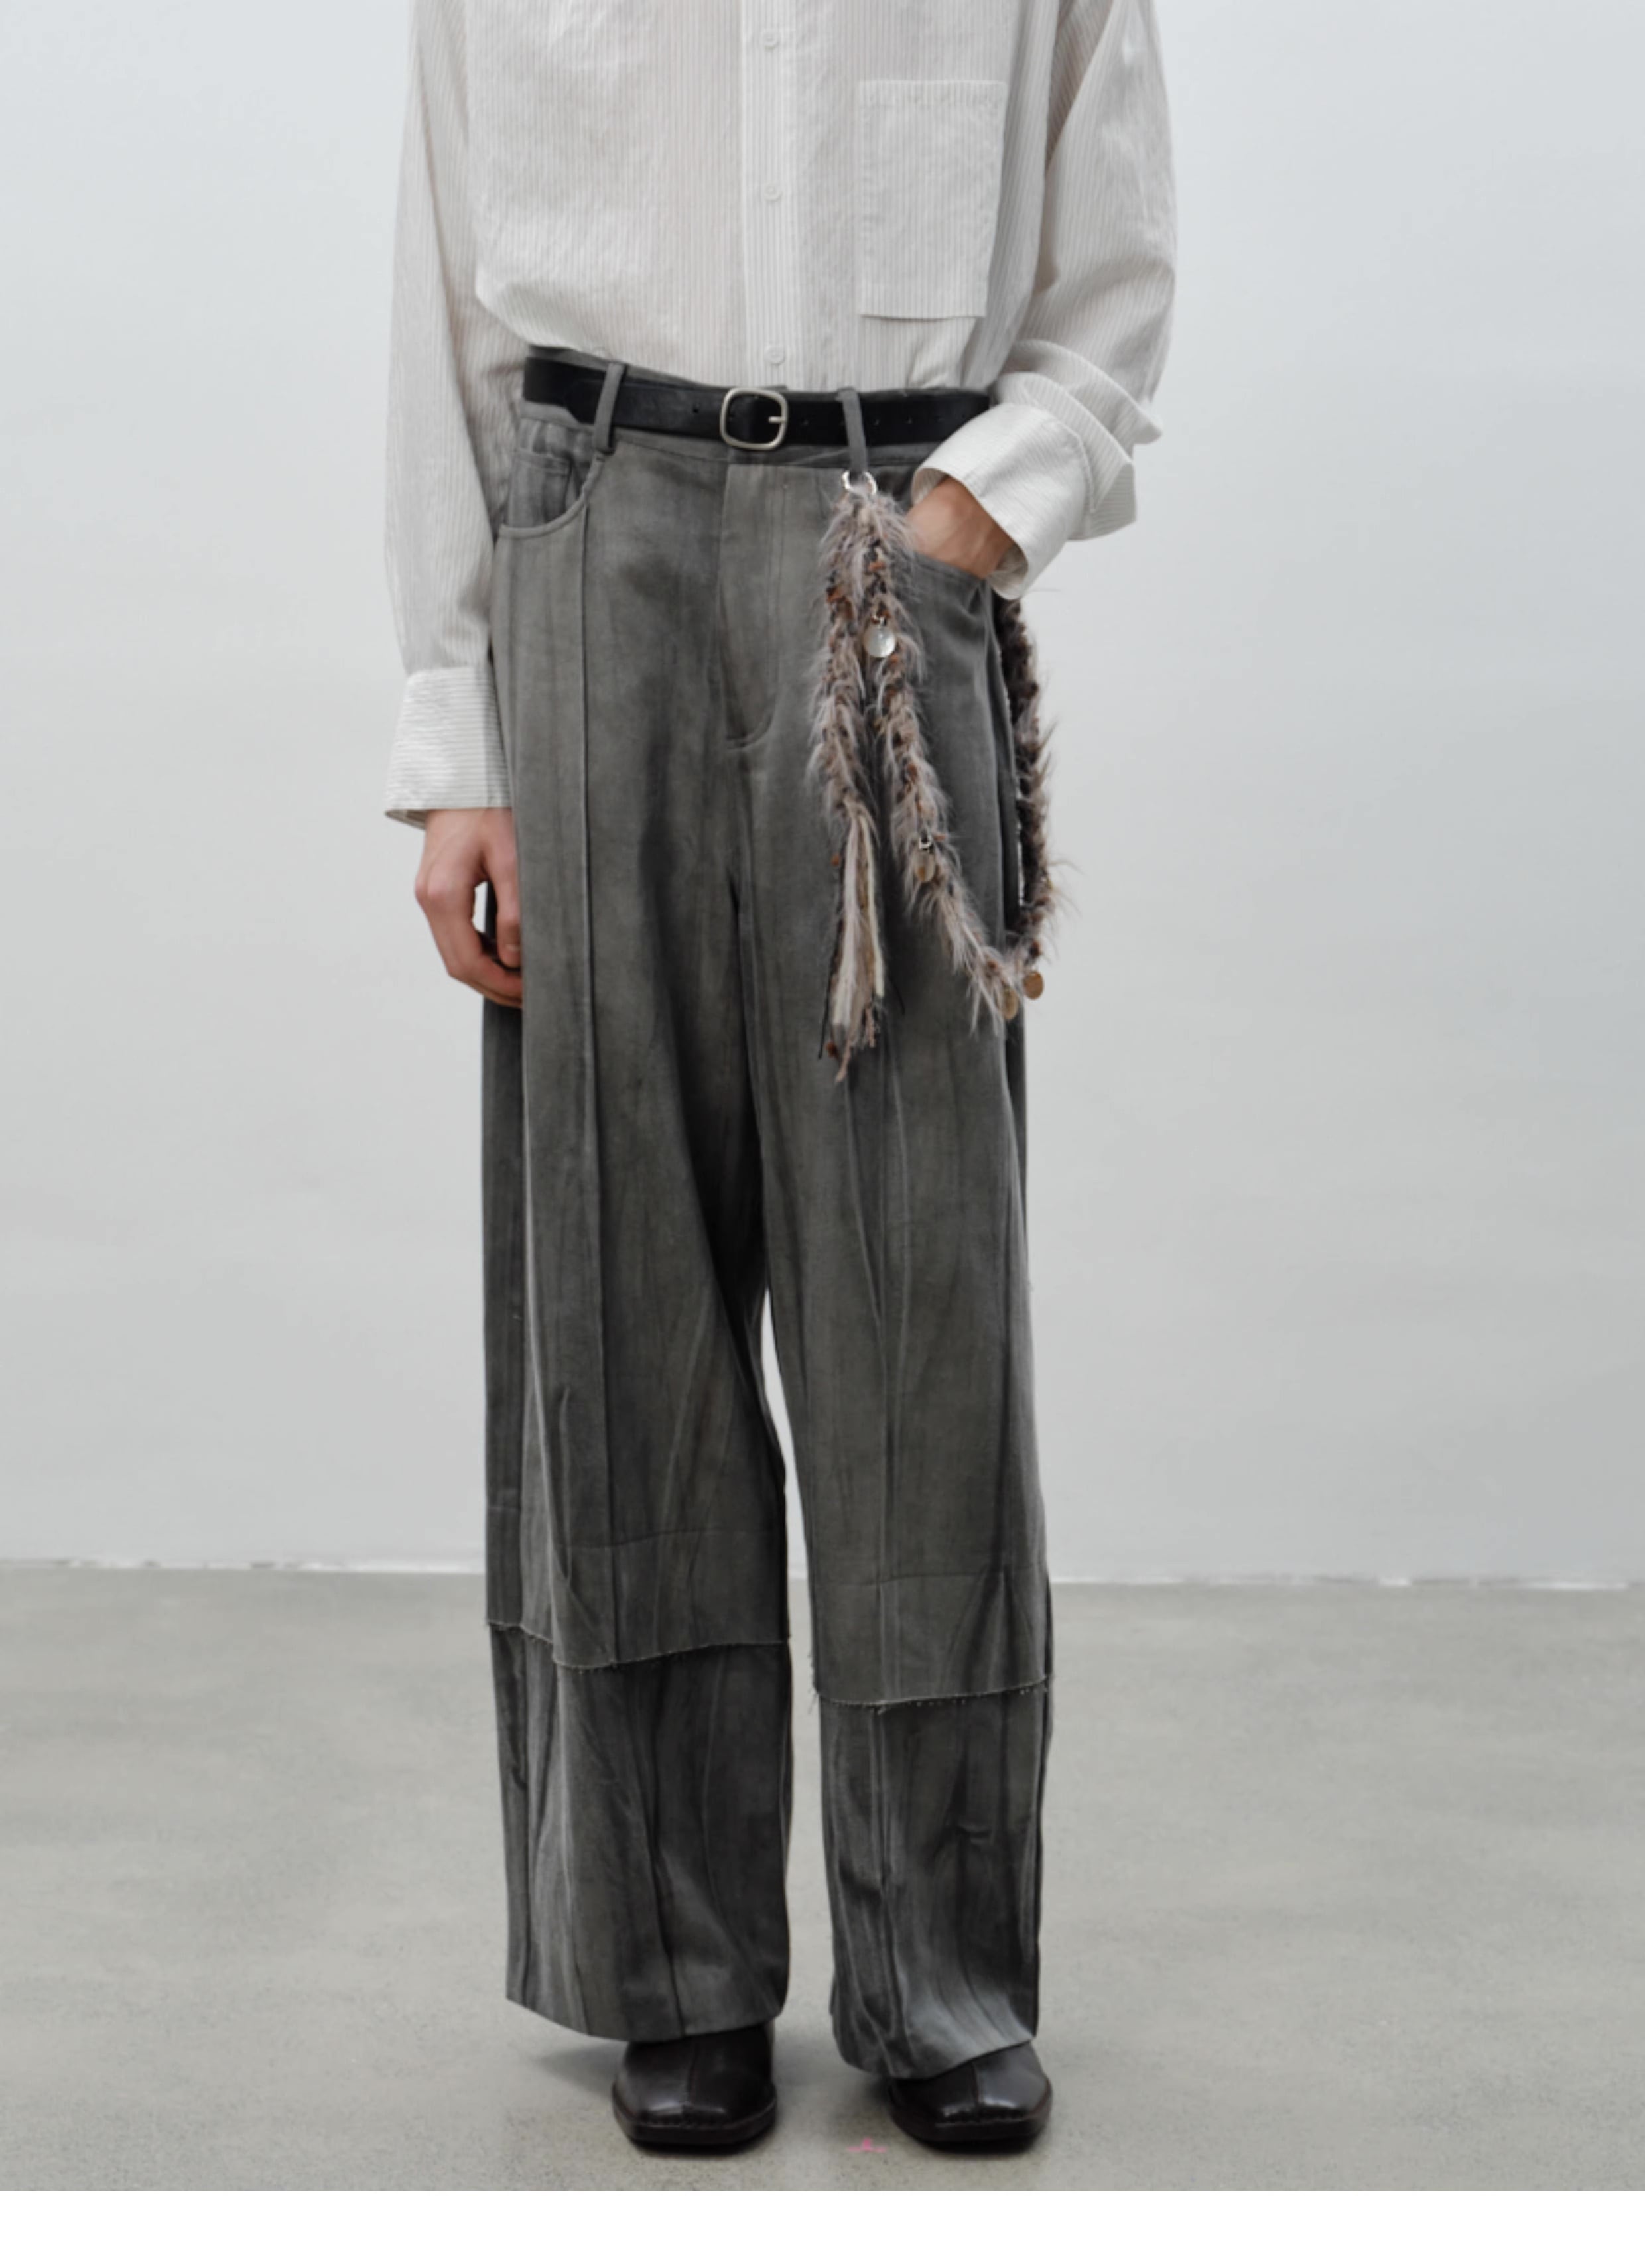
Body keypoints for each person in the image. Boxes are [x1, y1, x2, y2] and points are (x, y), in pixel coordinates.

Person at [383, 0, 1175, 2155]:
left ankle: (941, 1974)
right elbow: (447, 299)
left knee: (921, 1305)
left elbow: (1111, 283)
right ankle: (673, 1962)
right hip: (588, 546)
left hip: (885, 542)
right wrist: (456, 740)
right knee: (620, 1291)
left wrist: (969, 516)